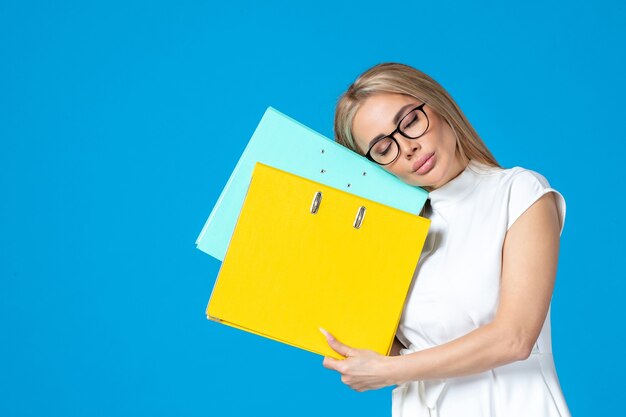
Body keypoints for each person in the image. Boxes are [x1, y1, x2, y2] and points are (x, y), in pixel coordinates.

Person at [319, 62, 571, 417]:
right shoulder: (389, 235)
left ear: (436, 104)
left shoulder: (519, 192)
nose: (407, 148)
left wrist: (389, 371)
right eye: (382, 148)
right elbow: (384, 350)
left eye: (409, 122)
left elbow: (514, 338)